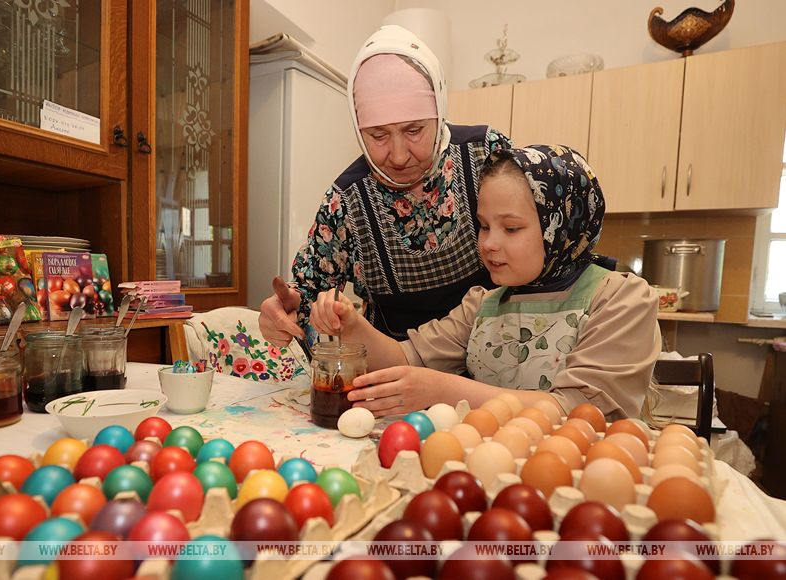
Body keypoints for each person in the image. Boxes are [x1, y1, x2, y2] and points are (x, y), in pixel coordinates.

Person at [309, 145, 662, 421]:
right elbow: (405, 358)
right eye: (484, 225)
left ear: (562, 227)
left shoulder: (619, 300)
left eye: (511, 228)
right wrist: (352, 325)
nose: (490, 244)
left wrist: (444, 390)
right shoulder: (483, 305)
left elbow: (576, 411)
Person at [259, 24, 512, 347]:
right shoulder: (346, 202)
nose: (398, 155)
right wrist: (288, 309)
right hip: (393, 373)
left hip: (493, 360)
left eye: (414, 130)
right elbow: (306, 294)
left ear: (440, 112)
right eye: (378, 136)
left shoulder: (486, 155)